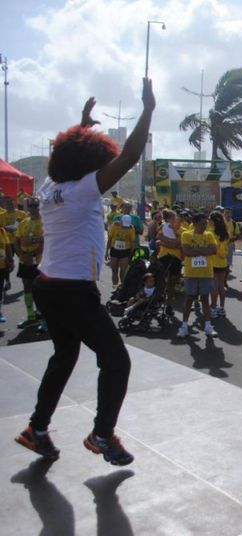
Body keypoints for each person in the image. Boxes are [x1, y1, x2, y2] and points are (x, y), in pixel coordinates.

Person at [14, 79, 154, 466]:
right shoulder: (81, 191)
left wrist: (81, 127)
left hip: (47, 285)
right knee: (117, 361)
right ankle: (102, 435)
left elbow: (68, 153)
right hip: (73, 291)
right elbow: (128, 156)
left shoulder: (48, 187)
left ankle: (36, 429)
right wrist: (148, 110)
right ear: (89, 165)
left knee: (64, 356)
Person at [177, 213, 218, 339]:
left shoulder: (209, 235)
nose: (204, 226)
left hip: (206, 273)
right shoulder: (186, 234)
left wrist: (196, 251)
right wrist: (203, 250)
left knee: (205, 299)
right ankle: (184, 326)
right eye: (202, 224)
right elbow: (187, 252)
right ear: (194, 224)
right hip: (191, 273)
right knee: (189, 299)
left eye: (206, 223)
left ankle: (208, 326)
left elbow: (213, 250)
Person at [15, 197, 45, 332]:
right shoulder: (23, 222)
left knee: (41, 291)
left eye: (36, 205)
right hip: (24, 261)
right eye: (31, 206)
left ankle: (44, 319)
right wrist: (22, 255)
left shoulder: (44, 223)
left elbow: (45, 242)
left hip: (40, 262)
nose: (33, 208)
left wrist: (32, 255)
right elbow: (16, 240)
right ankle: (31, 317)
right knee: (27, 288)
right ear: (28, 207)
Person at [105, 214, 135, 287]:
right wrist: (106, 252)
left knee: (123, 270)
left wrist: (132, 253)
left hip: (125, 251)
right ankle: (115, 285)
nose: (125, 226)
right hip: (114, 250)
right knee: (114, 269)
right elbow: (110, 239)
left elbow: (132, 242)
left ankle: (122, 286)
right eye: (124, 224)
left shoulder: (131, 228)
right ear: (121, 221)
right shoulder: (115, 226)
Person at [209, 211, 229, 318]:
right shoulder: (225, 233)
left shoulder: (210, 233)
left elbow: (214, 248)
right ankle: (221, 308)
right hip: (223, 263)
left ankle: (213, 308)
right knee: (221, 286)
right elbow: (225, 249)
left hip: (213, 263)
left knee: (214, 287)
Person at [0, 223, 14, 322]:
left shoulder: (1, 230)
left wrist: (11, 260)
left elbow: (7, 245)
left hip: (2, 266)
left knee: (0, 291)